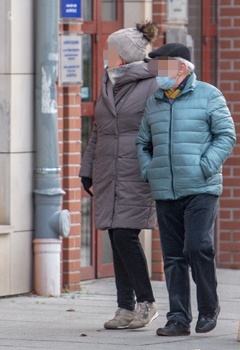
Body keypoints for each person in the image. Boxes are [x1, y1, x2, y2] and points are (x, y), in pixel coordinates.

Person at [136, 43, 236, 336]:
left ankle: (209, 307)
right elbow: (142, 142)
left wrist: (205, 166)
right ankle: (178, 318)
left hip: (201, 188)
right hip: (166, 189)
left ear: (181, 68)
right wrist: (149, 170)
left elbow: (226, 135)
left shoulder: (208, 94)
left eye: (160, 67)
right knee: (173, 257)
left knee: (197, 247)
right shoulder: (154, 101)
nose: (155, 74)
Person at [79, 22, 160, 330]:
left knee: (126, 233)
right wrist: (87, 170)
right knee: (116, 235)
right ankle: (124, 308)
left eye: (112, 50)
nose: (106, 54)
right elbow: (98, 131)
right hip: (107, 171)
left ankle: (146, 303)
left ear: (126, 55)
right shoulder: (108, 81)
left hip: (136, 170)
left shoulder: (154, 81)